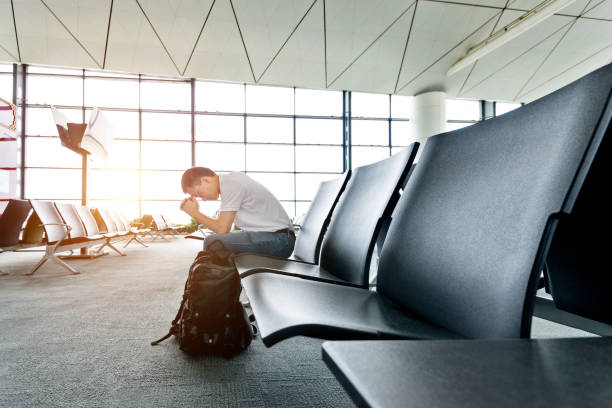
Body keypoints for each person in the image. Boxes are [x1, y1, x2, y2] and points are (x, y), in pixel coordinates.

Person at [180, 167, 295, 258]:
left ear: (205, 180)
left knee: (212, 242)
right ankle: (224, 284)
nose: (203, 199)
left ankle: (213, 286)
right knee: (216, 240)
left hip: (280, 240)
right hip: (277, 237)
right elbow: (223, 229)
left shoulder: (231, 183)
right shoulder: (229, 183)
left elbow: (222, 229)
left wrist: (194, 213)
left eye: (199, 193)